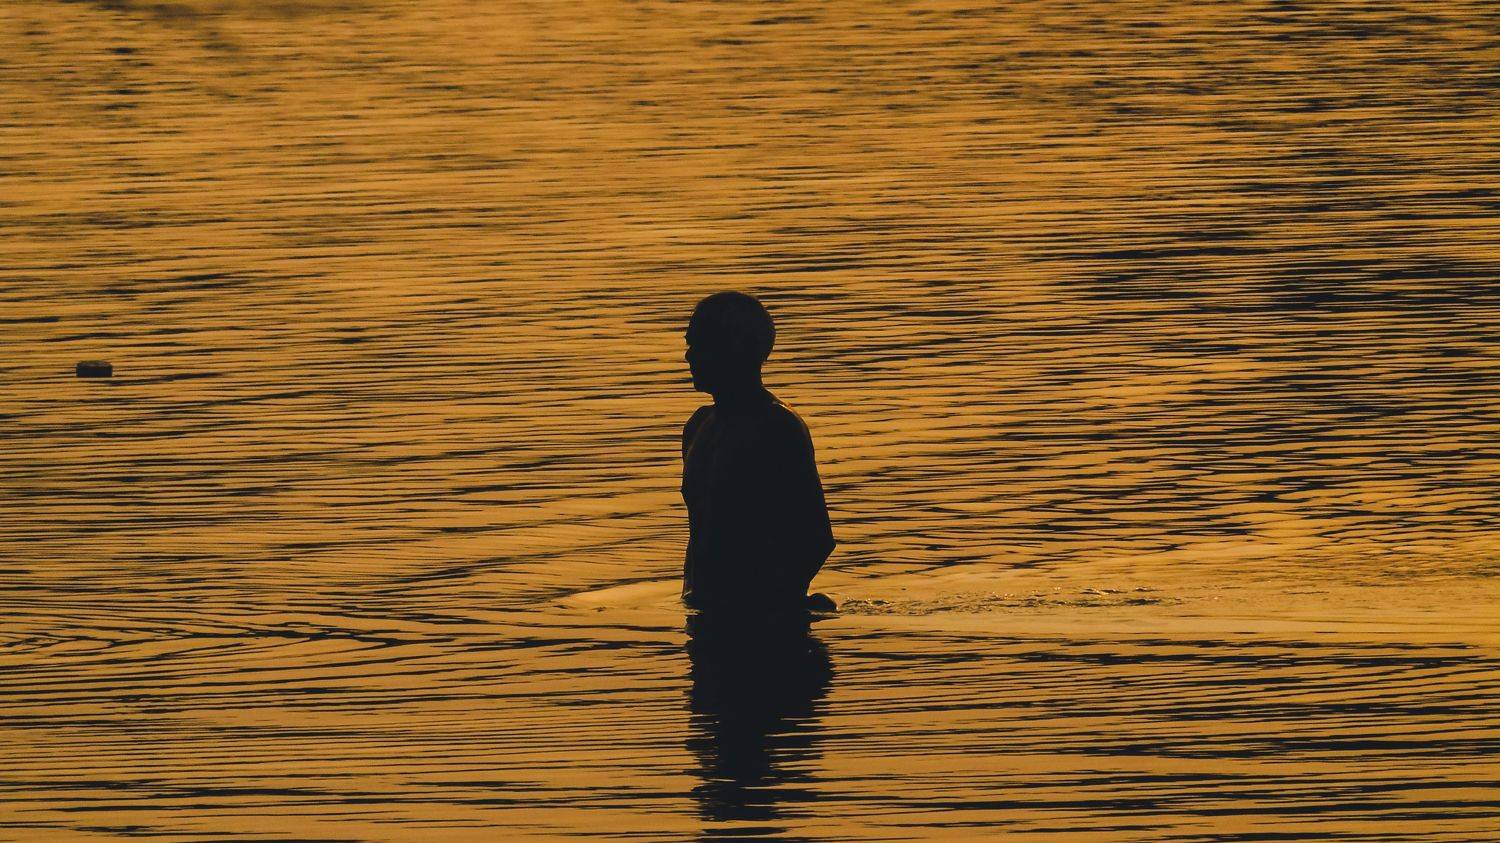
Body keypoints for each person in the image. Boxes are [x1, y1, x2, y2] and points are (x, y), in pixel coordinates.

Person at [680, 291, 836, 615]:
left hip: (761, 618)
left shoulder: (778, 427)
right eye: (689, 344)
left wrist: (767, 606)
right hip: (705, 610)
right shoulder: (698, 427)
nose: (688, 357)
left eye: (700, 345)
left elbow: (815, 537)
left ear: (735, 349)